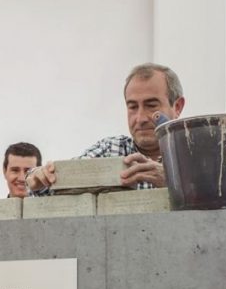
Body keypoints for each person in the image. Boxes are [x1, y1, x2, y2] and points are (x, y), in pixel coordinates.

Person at [26, 62, 186, 194]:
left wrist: (173, 181)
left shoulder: (197, 155)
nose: (140, 118)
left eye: (151, 105)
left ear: (177, 107)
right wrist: (37, 177)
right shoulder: (110, 149)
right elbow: (57, 184)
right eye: (132, 107)